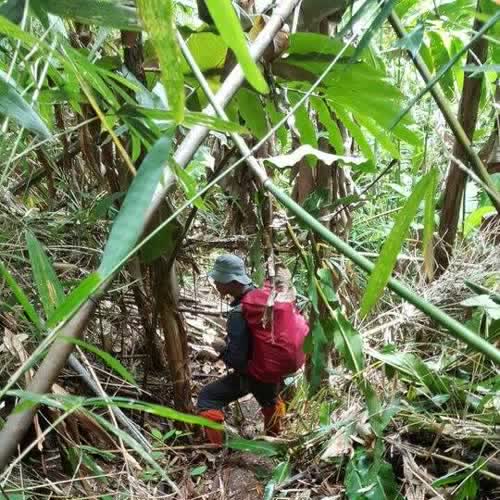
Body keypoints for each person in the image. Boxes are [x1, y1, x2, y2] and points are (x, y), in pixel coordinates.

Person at [197, 254, 308, 445]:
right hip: (271, 370)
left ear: (231, 281)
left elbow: (238, 359)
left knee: (208, 398)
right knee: (269, 399)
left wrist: (222, 349)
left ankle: (216, 448)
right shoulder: (265, 298)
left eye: (218, 279)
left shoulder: (240, 312)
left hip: (254, 373)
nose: (215, 283)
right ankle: (275, 441)